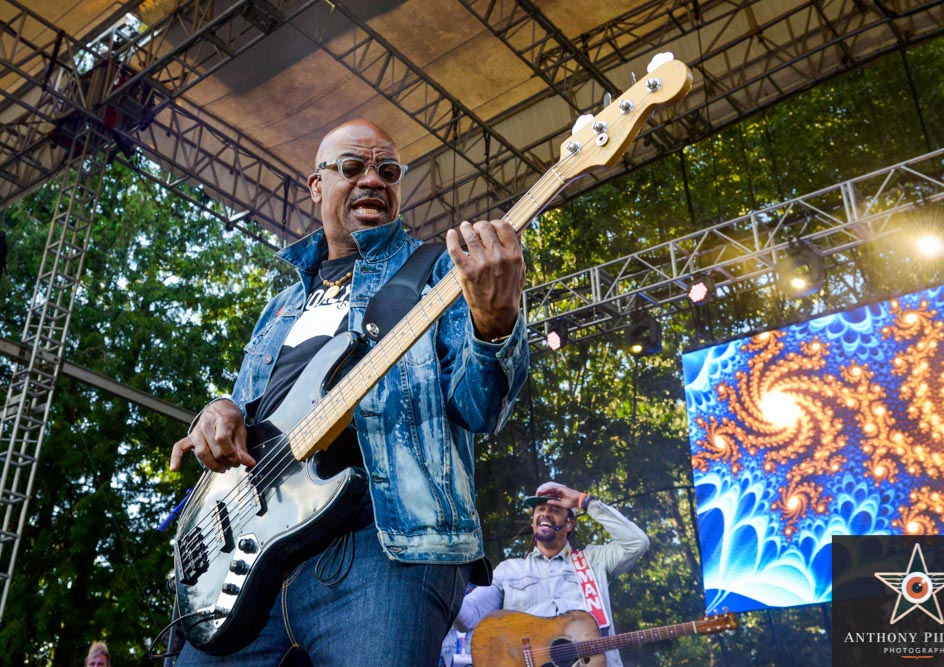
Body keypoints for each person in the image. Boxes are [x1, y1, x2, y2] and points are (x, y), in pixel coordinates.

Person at [169, 119, 530, 666]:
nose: (373, 180)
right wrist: (220, 411)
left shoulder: (440, 272)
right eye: (353, 167)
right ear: (317, 185)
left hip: (386, 549)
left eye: (388, 171)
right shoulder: (281, 305)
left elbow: (482, 409)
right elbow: (248, 417)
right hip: (252, 559)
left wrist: (496, 324)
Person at [454, 481, 650, 667]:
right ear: (533, 522)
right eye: (540, 509)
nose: (545, 514)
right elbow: (467, 616)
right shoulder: (509, 570)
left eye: (555, 510)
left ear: (569, 523)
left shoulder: (594, 561)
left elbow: (637, 543)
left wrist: (583, 501)